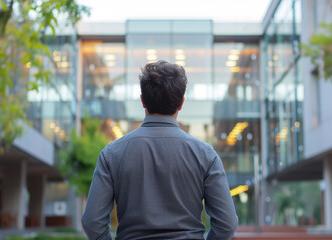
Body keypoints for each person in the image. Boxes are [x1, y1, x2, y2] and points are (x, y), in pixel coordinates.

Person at [81, 60, 238, 240]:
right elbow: (227, 223)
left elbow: (92, 222)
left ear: (142, 101)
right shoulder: (206, 155)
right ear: (181, 103)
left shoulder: (112, 154)